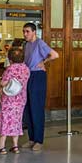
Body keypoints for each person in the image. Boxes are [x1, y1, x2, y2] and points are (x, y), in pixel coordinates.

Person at [23, 22, 59, 151]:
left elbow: (55, 55)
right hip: (28, 75)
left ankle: (39, 140)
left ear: (34, 32)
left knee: (37, 107)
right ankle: (31, 138)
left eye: (27, 31)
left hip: (38, 76)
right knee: (28, 108)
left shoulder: (40, 43)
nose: (25, 34)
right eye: (24, 31)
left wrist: (44, 62)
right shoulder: (26, 45)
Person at [0, 46, 30, 155]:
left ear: (10, 58)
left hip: (9, 99)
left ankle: (1, 147)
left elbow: (3, 83)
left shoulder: (10, 69)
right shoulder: (26, 69)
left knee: (5, 120)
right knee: (17, 121)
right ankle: (15, 146)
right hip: (21, 99)